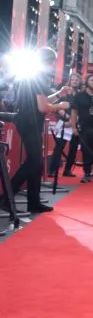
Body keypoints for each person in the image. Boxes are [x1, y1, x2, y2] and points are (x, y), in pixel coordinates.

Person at [1, 48, 70, 215]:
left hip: (28, 120)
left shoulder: (32, 76)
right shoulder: (38, 77)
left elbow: (42, 100)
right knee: (33, 161)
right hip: (30, 122)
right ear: (50, 61)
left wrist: (59, 95)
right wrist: (61, 106)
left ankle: (33, 201)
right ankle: (6, 198)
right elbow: (43, 107)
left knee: (36, 163)